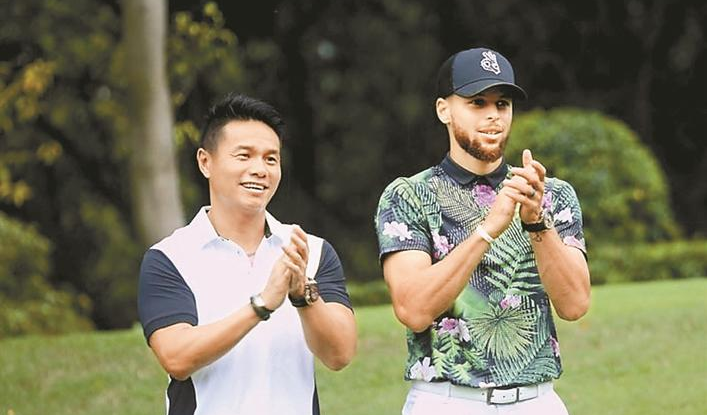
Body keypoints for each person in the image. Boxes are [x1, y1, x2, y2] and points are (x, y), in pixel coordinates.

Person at [374, 47, 591, 414]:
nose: (493, 115)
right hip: (447, 401)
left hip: (537, 401)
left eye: (502, 104)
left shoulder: (549, 194)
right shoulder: (408, 195)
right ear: (443, 110)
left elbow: (575, 305)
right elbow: (412, 309)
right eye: (477, 102)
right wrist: (489, 228)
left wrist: (537, 222)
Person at [138, 93, 357, 415]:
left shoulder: (309, 249)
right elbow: (176, 357)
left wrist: (302, 296)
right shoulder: (170, 258)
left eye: (271, 159)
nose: (260, 169)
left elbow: (340, 355)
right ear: (205, 162)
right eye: (244, 156)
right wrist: (262, 305)